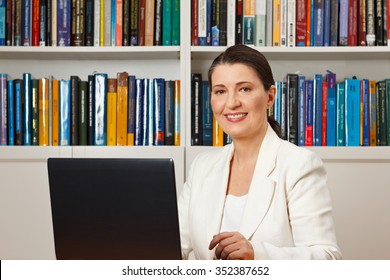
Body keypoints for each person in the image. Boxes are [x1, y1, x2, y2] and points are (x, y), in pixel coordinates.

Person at [178, 44, 342, 260]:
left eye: (244, 89)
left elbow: (328, 257)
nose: (232, 103)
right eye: (220, 91)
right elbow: (177, 247)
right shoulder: (202, 166)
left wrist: (257, 255)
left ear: (270, 97)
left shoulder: (298, 164)